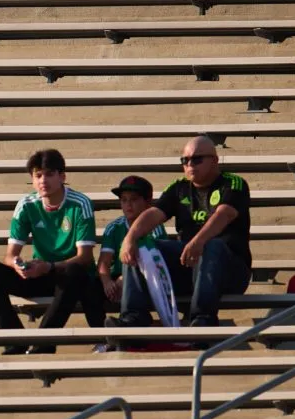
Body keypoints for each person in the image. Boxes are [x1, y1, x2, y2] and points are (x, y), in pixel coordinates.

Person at [108, 135, 253, 336]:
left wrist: (198, 241)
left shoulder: (233, 183)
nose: (189, 165)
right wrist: (130, 237)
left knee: (213, 245)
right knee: (142, 245)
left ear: (215, 160)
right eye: (185, 160)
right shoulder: (179, 187)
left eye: (197, 159)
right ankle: (134, 317)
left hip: (230, 270)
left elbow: (224, 214)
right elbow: (153, 214)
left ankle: (202, 319)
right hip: (190, 265)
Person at [0, 148, 104, 355]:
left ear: (62, 177)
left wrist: (50, 266)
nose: (43, 180)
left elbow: (85, 257)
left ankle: (43, 342)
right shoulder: (26, 205)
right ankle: (14, 340)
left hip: (66, 276)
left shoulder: (80, 204)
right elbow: (9, 255)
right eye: (38, 175)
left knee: (75, 273)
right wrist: (19, 265)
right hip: (39, 274)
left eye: (49, 174)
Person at [97, 175, 167, 305]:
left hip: (146, 276)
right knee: (91, 287)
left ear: (147, 202)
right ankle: (99, 324)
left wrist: (125, 278)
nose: (128, 205)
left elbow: (158, 261)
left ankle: (129, 319)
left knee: (129, 283)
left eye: (134, 200)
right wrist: (107, 282)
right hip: (116, 278)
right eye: (124, 200)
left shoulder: (155, 226)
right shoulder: (114, 227)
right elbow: (104, 262)